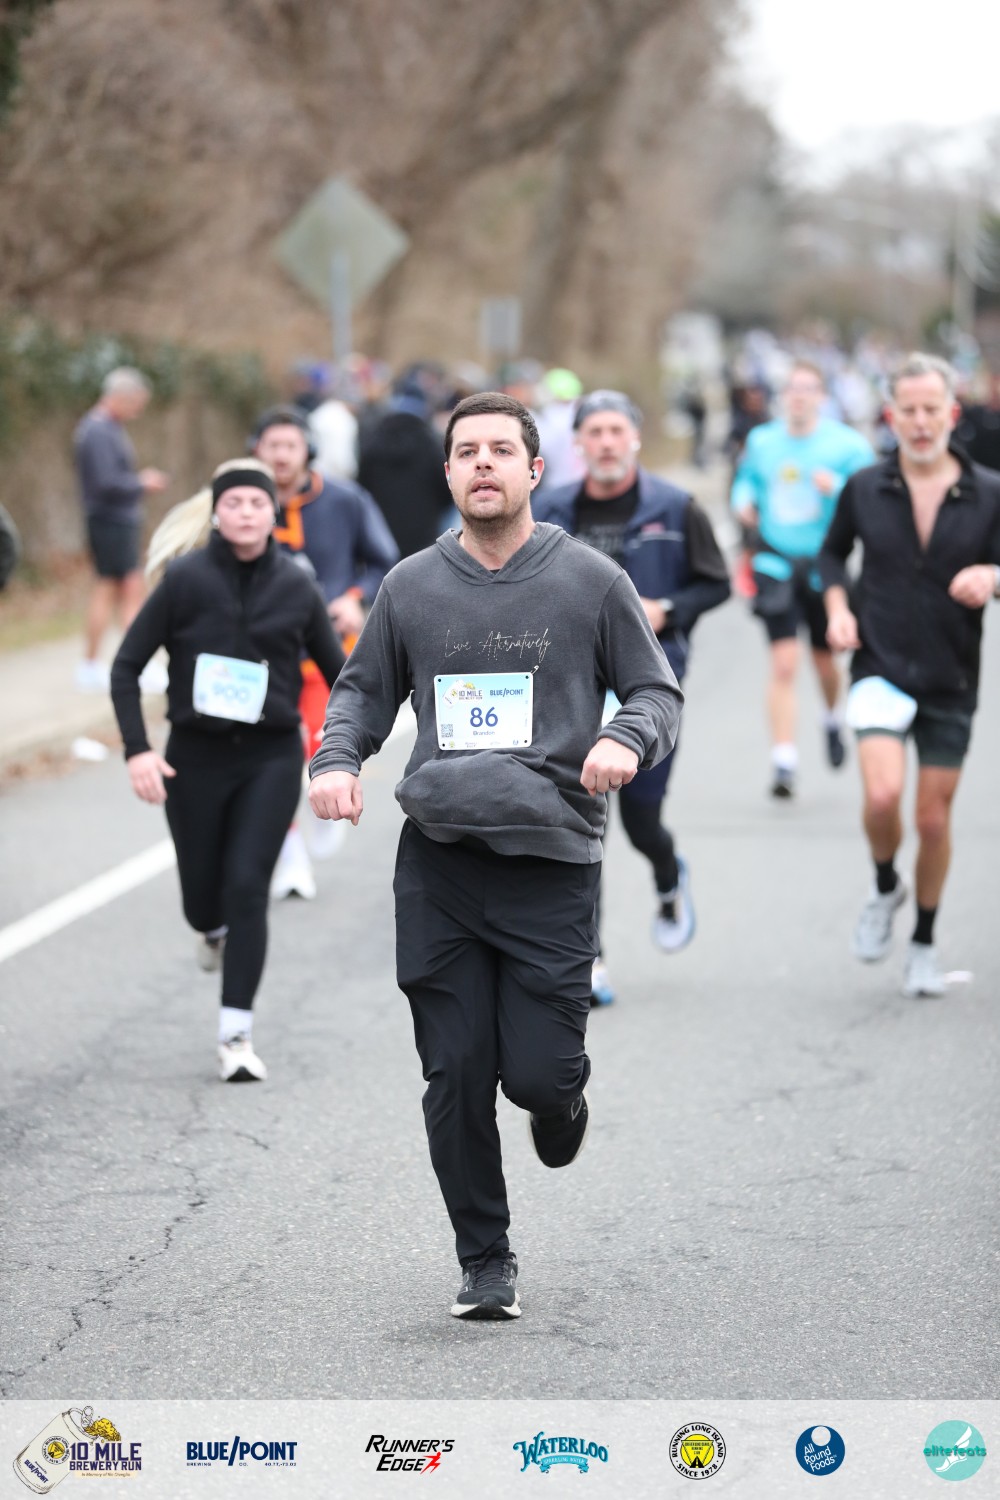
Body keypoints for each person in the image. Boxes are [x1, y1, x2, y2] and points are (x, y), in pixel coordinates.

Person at [309, 392, 682, 1320]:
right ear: (447, 473)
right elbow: (361, 693)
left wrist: (625, 738)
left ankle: (561, 1102)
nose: (483, 463)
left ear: (534, 470)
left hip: (551, 859)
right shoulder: (411, 587)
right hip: (440, 861)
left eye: (500, 450)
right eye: (467, 451)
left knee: (537, 1077)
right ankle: (485, 1259)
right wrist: (337, 759)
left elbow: (656, 693)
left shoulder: (591, 581)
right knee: (456, 1073)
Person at [110, 459, 344, 1080]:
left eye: (256, 503)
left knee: (247, 888)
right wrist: (138, 750)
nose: (245, 512)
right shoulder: (184, 580)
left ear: (274, 514)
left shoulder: (296, 585)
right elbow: (126, 667)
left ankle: (236, 1035)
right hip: (194, 757)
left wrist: (341, 742)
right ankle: (209, 930)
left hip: (270, 756)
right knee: (202, 901)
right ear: (216, 512)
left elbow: (343, 675)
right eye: (234, 502)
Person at [534, 390, 729, 1005]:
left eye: (616, 430)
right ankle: (590, 959)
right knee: (580, 822)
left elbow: (716, 583)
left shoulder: (675, 507)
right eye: (594, 432)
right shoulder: (549, 510)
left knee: (642, 823)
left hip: (648, 687)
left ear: (635, 438)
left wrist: (667, 609)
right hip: (570, 686)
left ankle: (668, 874)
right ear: (579, 444)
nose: (606, 443)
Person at [820, 353, 1000, 998]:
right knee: (880, 797)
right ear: (891, 416)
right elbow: (831, 555)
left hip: (952, 674)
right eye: (908, 411)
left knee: (931, 821)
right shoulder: (867, 486)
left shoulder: (988, 491)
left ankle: (923, 941)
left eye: (931, 410)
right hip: (880, 662)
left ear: (951, 414)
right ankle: (883, 885)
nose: (921, 422)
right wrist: (838, 609)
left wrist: (992, 576)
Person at [251, 405, 399, 896]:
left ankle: (322, 801)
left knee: (321, 746)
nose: (281, 455)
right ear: (256, 450)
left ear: (308, 450)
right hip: (259, 656)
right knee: (269, 761)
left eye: (290, 446)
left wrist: (355, 598)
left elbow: (383, 561)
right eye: (272, 446)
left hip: (326, 652)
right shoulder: (243, 501)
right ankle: (290, 854)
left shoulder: (346, 499)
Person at [731, 360, 874, 798]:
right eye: (791, 387)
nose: (798, 395)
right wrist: (743, 500)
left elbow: (873, 493)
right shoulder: (763, 440)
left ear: (822, 396)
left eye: (808, 387)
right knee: (784, 662)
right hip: (775, 560)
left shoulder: (847, 445)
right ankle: (784, 761)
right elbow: (746, 480)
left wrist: (840, 486)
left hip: (825, 565)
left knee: (825, 662)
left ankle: (831, 718)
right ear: (783, 395)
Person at [73, 367, 169, 691]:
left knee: (116, 587)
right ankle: (128, 664)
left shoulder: (105, 427)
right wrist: (141, 482)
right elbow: (105, 482)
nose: (137, 411)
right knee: (124, 588)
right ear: (120, 397)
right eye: (135, 404)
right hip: (110, 520)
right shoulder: (97, 430)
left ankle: (97, 664)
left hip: (114, 520)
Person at [356, 372, 454, 558]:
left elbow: (362, 487)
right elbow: (447, 488)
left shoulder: (373, 444)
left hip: (382, 532)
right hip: (424, 535)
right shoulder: (431, 444)